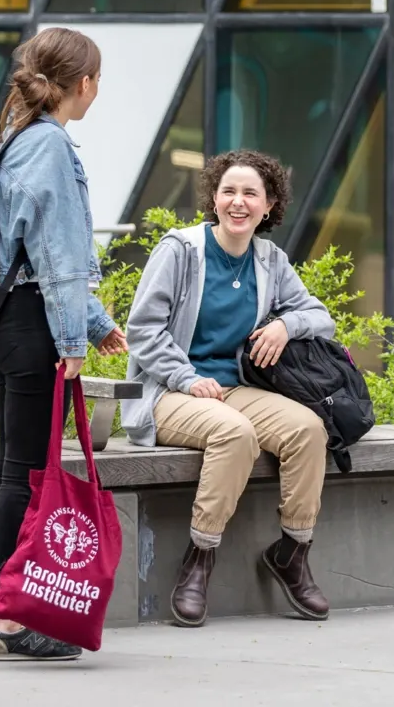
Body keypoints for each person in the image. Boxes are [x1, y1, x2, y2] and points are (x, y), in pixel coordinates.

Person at [122, 149, 335, 627]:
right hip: (169, 391)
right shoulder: (180, 251)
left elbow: (321, 318)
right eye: (228, 192)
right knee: (235, 434)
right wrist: (187, 378)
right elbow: (143, 330)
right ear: (214, 199)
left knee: (307, 429)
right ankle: (200, 558)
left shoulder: (269, 259)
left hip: (234, 389)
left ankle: (293, 552)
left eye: (250, 194)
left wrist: (287, 326)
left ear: (269, 205)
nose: (238, 202)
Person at [0, 27, 127, 663]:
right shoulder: (51, 145)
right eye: (97, 80)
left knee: (13, 469)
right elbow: (60, 258)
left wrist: (93, 322)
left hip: (15, 318)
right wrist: (74, 339)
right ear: (83, 83)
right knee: (25, 473)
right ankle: (4, 622)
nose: (98, 91)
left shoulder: (18, 137)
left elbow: (40, 254)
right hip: (36, 325)